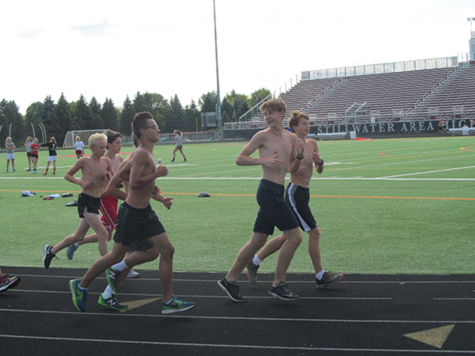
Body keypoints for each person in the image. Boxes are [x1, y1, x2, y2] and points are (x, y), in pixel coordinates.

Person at [69, 112, 195, 315]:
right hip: (132, 214)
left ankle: (168, 300)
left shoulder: (144, 152)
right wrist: (156, 174)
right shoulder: (142, 153)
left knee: (166, 250)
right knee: (116, 255)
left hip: (145, 212)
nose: (158, 130)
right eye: (154, 127)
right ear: (143, 132)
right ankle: (81, 284)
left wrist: (154, 189)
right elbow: (133, 183)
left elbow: (126, 176)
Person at [218, 98, 305, 302]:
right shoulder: (261, 136)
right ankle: (278, 284)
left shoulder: (291, 139)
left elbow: (292, 169)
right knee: (295, 237)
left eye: (271, 113)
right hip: (267, 191)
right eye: (265, 114)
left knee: (258, 240)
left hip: (277, 190)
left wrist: (299, 157)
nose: (267, 117)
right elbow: (240, 159)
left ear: (281, 113)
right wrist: (264, 160)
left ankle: (229, 280)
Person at [247, 111, 343, 289]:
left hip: (305, 193)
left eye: (308, 123)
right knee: (314, 233)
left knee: (287, 235)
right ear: (294, 127)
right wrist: (295, 164)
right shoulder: (291, 142)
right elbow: (287, 167)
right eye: (304, 124)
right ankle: (320, 276)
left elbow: (319, 170)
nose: (308, 126)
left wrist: (320, 161)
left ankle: (254, 261)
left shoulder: (312, 143)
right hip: (294, 193)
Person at [98, 134, 172, 310]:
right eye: (116, 143)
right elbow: (113, 188)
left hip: (140, 213)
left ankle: (108, 293)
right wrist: (131, 198)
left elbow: (144, 190)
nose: (119, 146)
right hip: (133, 214)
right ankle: (84, 284)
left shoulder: (138, 158)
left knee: (145, 254)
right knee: (125, 256)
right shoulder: (133, 159)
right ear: (140, 138)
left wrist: (161, 199)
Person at [42, 134, 112, 269]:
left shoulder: (106, 162)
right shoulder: (84, 161)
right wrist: (80, 182)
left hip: (97, 201)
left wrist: (106, 183)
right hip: (86, 200)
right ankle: (108, 266)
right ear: (92, 148)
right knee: (103, 233)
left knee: (79, 237)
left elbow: (110, 177)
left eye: (105, 147)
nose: (104, 150)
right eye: (101, 147)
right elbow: (67, 175)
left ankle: (51, 250)